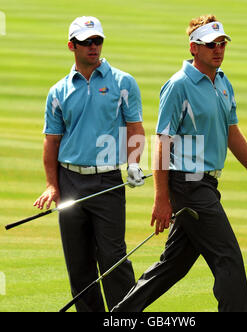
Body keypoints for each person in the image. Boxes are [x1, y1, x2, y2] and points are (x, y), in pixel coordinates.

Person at [112, 14, 247, 312]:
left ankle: (119, 315)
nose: (218, 49)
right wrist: (161, 198)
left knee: (174, 265)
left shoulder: (223, 82)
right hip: (189, 185)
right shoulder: (178, 85)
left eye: (222, 43)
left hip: (206, 184)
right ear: (194, 48)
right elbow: (162, 141)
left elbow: (232, 133)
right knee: (227, 256)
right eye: (210, 45)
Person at [33, 16, 145, 312]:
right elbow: (51, 142)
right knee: (79, 263)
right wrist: (52, 185)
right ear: (72, 46)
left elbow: (135, 128)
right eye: (86, 42)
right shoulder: (59, 91)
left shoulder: (123, 82)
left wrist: (133, 163)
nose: (94, 47)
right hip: (70, 181)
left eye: (98, 41)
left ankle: (125, 317)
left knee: (113, 259)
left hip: (107, 181)